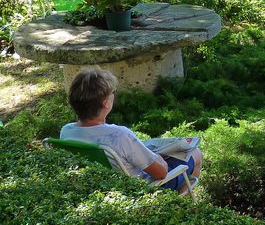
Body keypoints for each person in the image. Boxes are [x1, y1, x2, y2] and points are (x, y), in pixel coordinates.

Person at [60, 66, 202, 193]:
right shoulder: (120, 136)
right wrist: (158, 157)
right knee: (195, 153)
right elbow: (161, 173)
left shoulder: (66, 131)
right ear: (105, 103)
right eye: (112, 92)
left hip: (103, 185)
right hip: (141, 188)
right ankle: (182, 208)